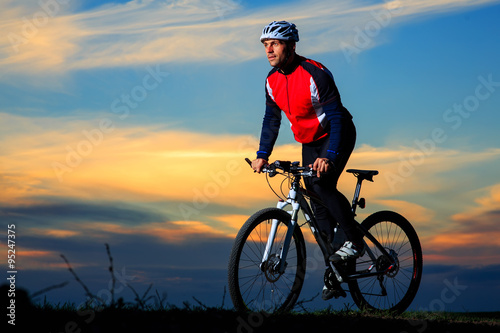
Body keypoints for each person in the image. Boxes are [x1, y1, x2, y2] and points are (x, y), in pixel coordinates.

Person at [251, 21, 364, 300]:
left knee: (322, 184)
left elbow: (336, 117)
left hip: (336, 133)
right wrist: (262, 154)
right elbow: (271, 119)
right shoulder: (271, 80)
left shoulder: (316, 73)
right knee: (315, 203)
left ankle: (355, 241)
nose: (269, 50)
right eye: (266, 45)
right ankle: (336, 271)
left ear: (291, 46)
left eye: (274, 44)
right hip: (309, 141)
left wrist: (330, 156)